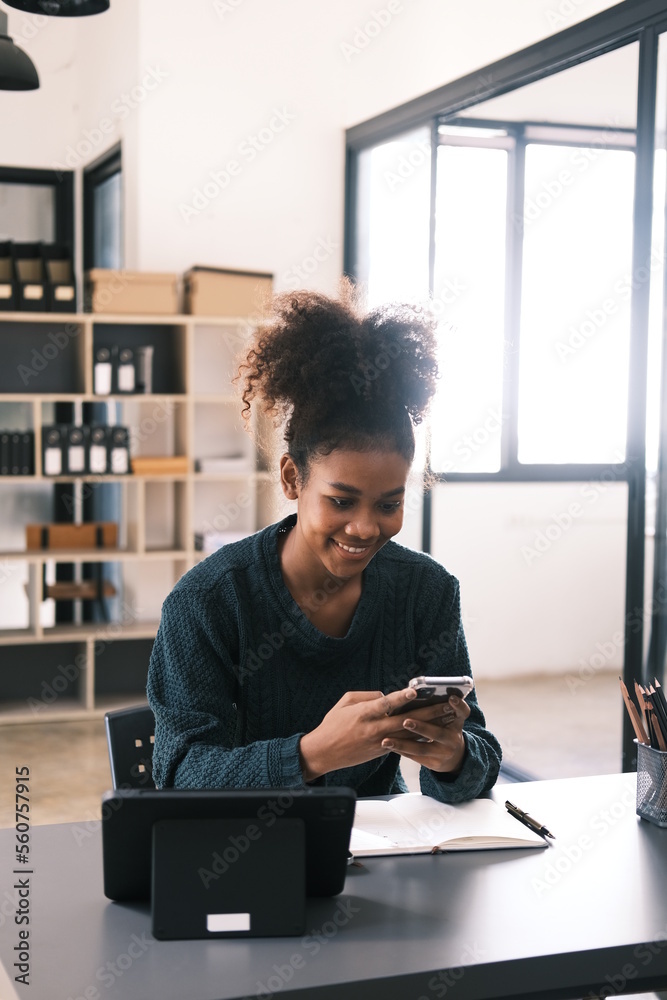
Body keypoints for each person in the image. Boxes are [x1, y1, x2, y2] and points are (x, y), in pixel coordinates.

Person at [147, 287, 501, 802]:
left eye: (388, 504)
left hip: (380, 854)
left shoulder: (426, 591)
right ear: (293, 479)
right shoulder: (208, 603)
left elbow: (480, 755)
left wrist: (453, 758)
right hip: (245, 855)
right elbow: (179, 775)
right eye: (341, 501)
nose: (364, 528)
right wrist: (314, 753)